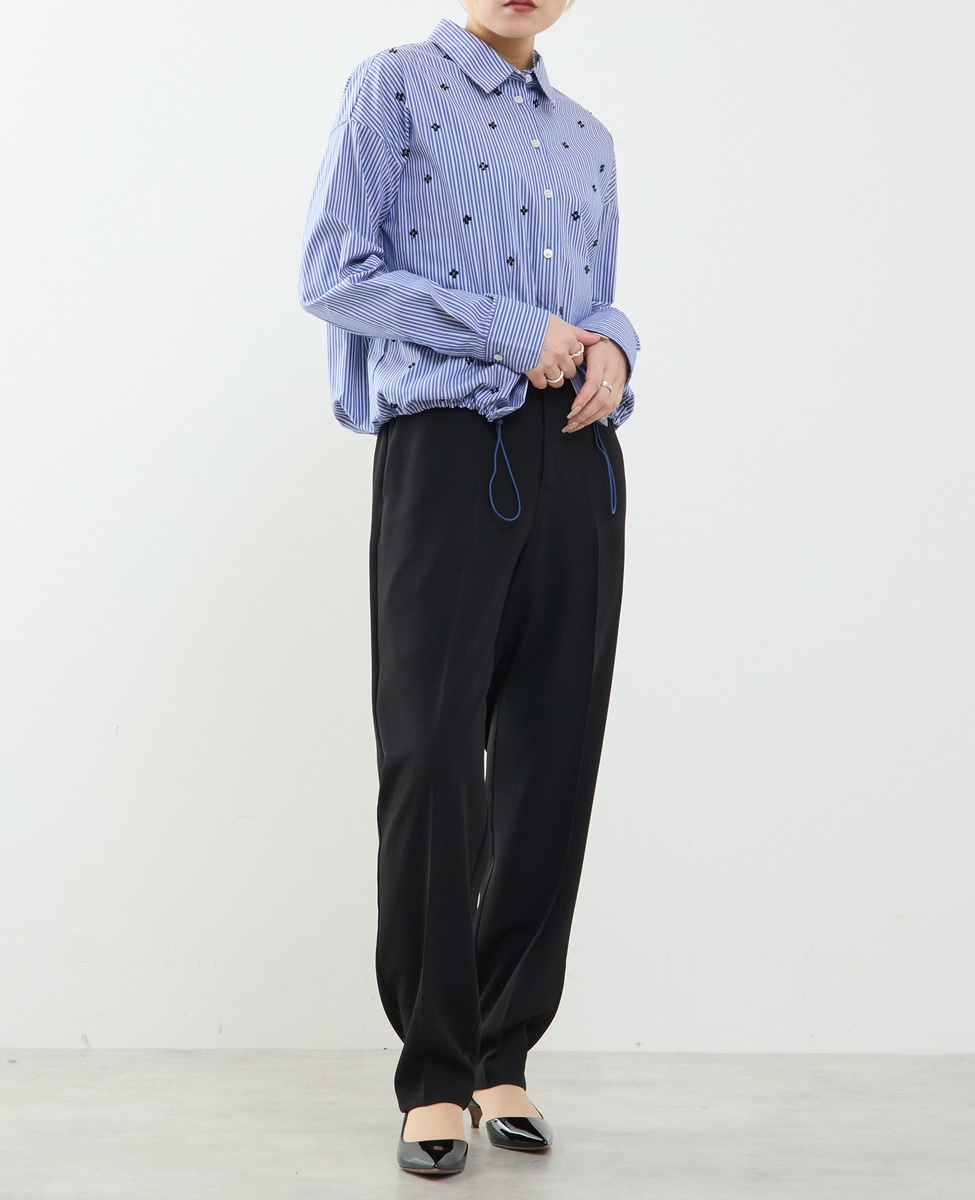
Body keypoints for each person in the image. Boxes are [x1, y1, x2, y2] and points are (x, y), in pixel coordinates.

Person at [298, 0, 639, 1176]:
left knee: (553, 760)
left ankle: (505, 1055)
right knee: (434, 753)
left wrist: (615, 343)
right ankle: (435, 1072)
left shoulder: (588, 135)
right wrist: (507, 329)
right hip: (451, 449)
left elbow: (594, 299)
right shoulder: (392, 87)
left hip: (582, 464)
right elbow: (333, 272)